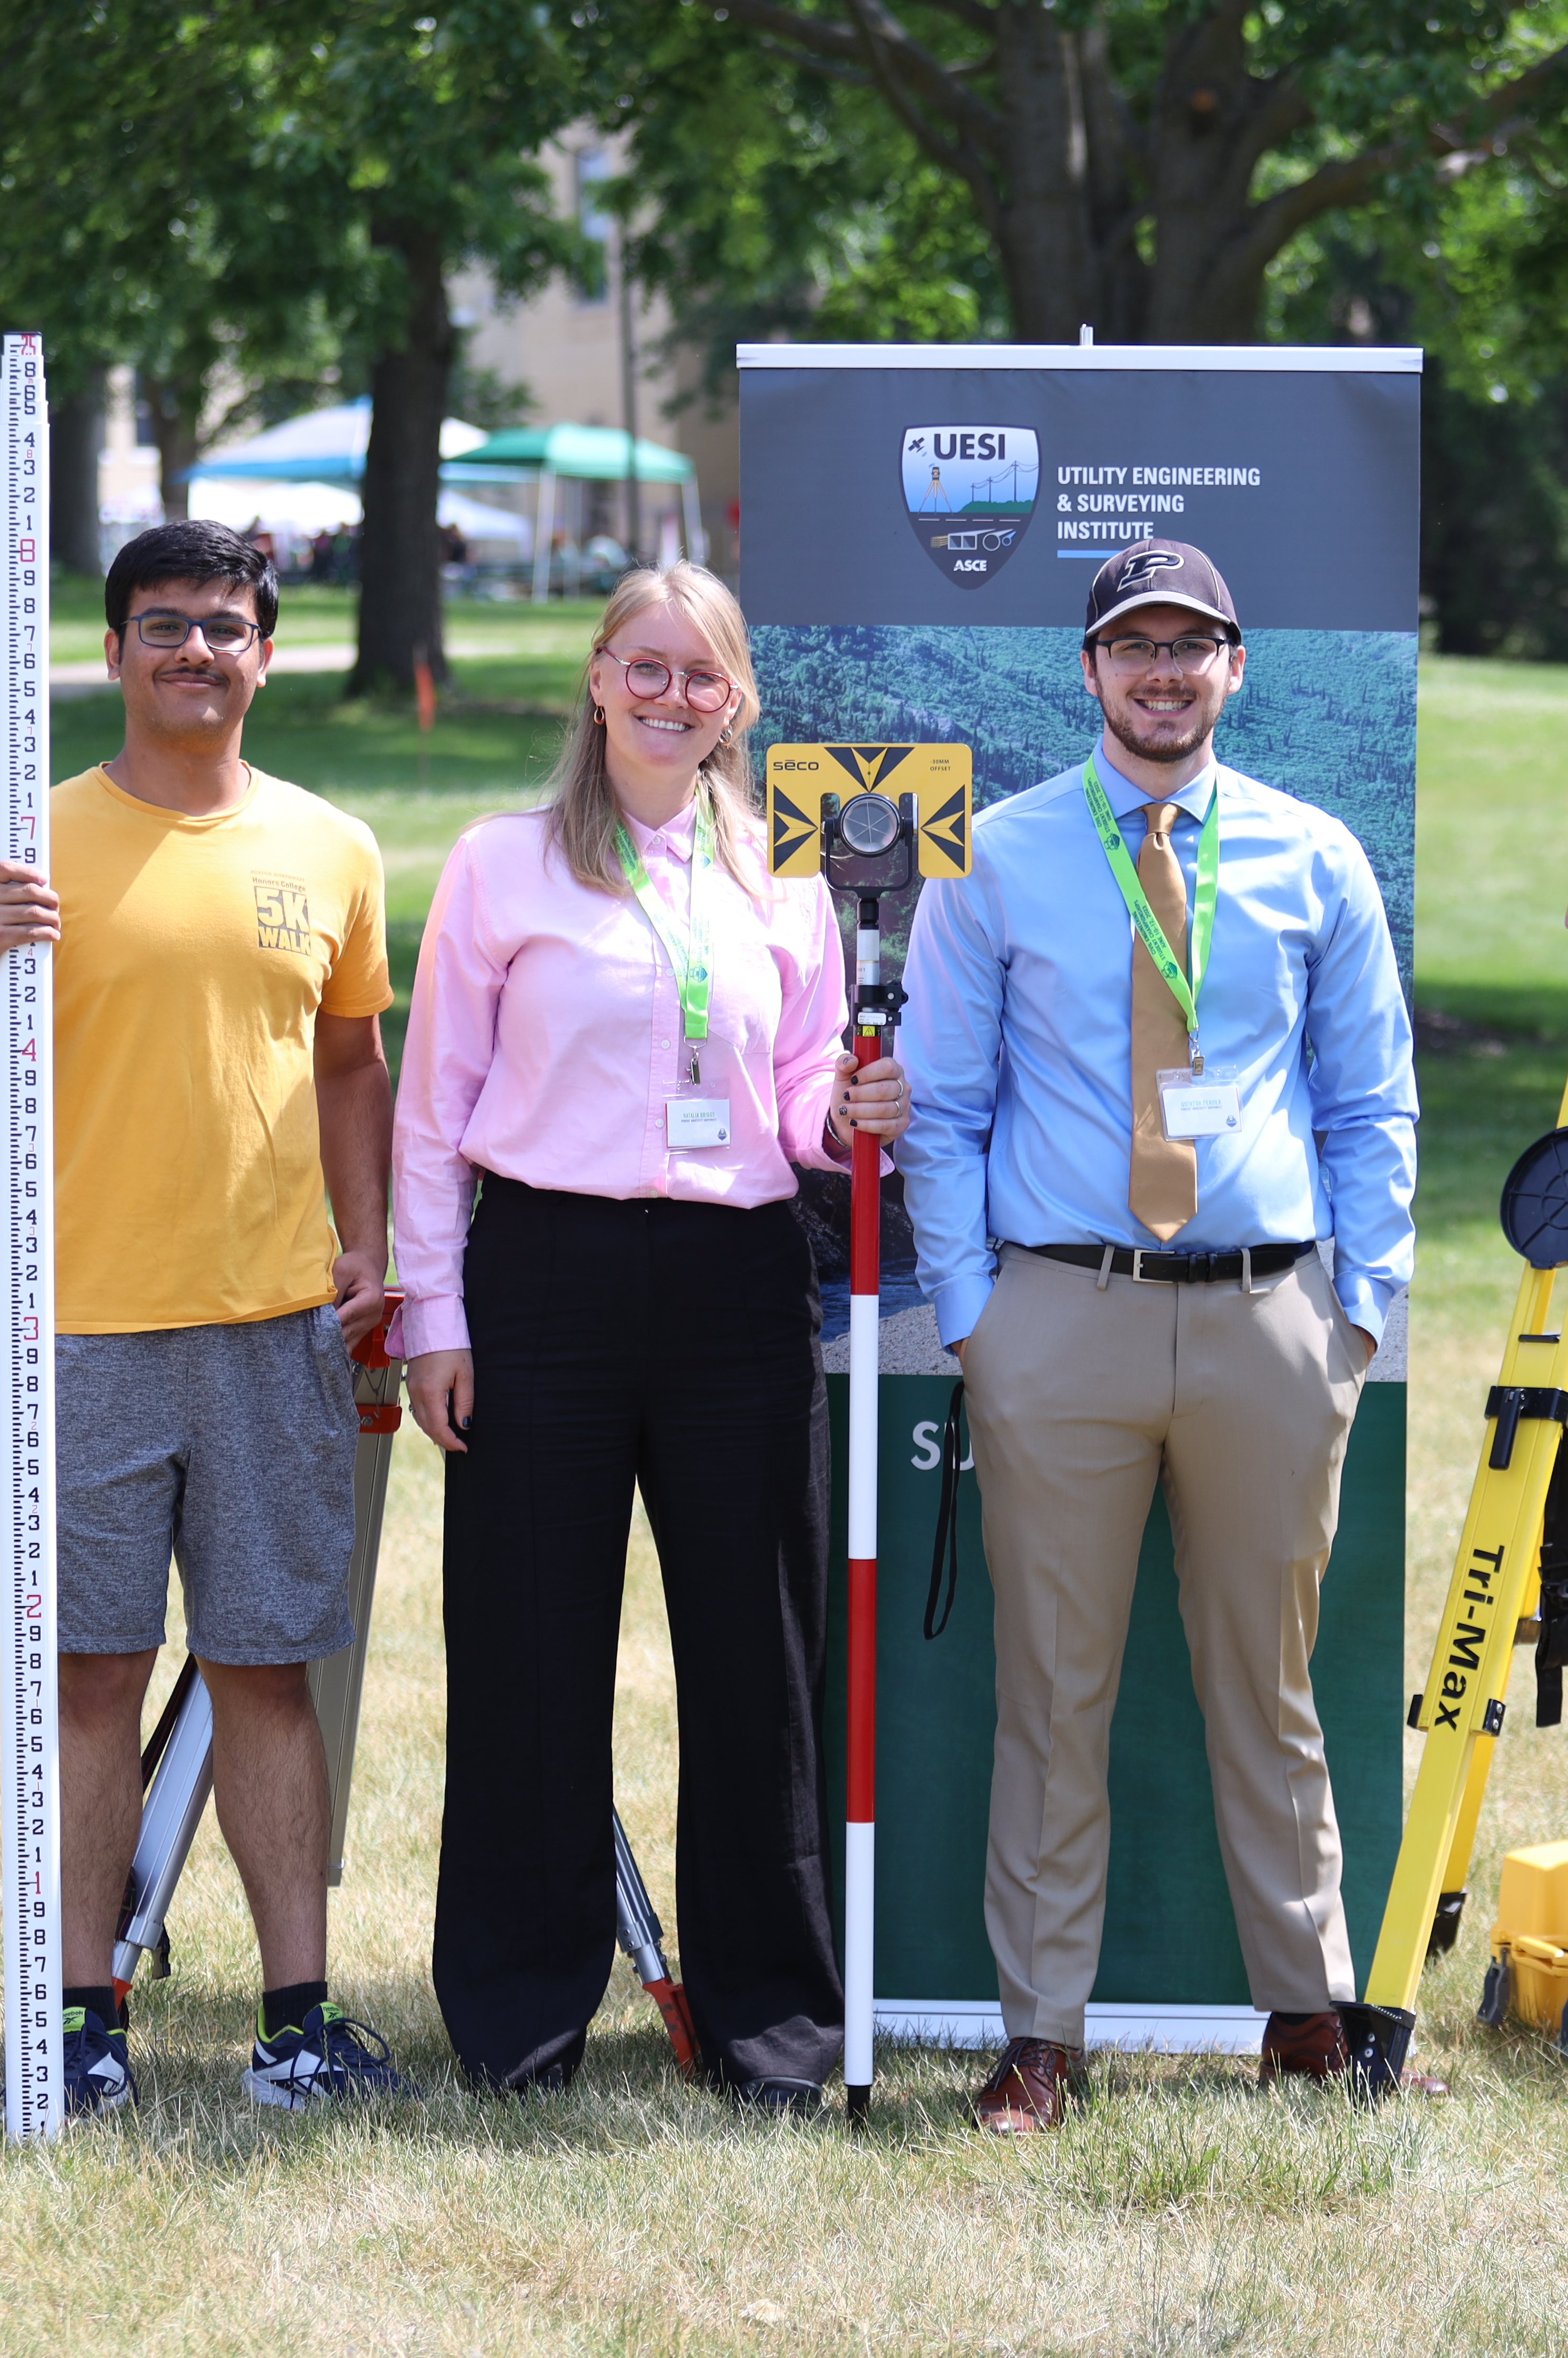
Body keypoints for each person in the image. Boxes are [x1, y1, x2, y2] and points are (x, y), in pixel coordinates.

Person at [897, 537, 1422, 2135]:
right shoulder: (996, 855)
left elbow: (1367, 1096)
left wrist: (1356, 1310)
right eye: (1134, 644)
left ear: (1233, 666)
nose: (1162, 671)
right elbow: (938, 1102)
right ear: (1087, 670)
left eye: (1190, 643)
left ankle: (1305, 2010)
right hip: (1059, 1313)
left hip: (1269, 1316)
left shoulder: (1313, 855)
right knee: (1051, 1690)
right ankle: (1038, 2033)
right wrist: (976, 1319)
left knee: (1264, 1688)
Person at [0, 518, 411, 2117]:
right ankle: (77, 2013)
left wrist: (372, 1244)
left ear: (268, 652)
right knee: (89, 1676)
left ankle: (299, 2019)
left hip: (272, 1330)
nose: (197, 648)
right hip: (81, 1336)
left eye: (227, 624)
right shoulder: (27, 846)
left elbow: (347, 1068)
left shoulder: (332, 849)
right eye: (165, 624)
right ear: (109, 652)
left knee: (267, 1670)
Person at [390, 561, 907, 2104]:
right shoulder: (502, 865)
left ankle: (770, 2021)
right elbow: (431, 1116)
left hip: (733, 1283)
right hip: (539, 1276)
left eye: (703, 675)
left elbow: (810, 1090)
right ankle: (517, 2014)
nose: (672, 695)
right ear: (598, 677)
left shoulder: (784, 874)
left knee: (753, 1662)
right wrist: (433, 1311)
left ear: (737, 702)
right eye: (645, 665)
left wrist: (851, 1108)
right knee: (530, 1650)